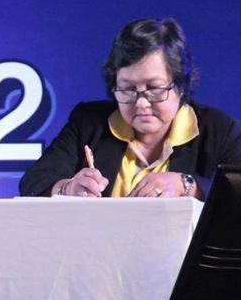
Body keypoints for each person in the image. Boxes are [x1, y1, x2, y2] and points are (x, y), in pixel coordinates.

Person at [20, 18, 241, 199]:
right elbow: (34, 182)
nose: (141, 103)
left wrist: (188, 185)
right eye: (127, 89)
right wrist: (67, 189)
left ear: (181, 85)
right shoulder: (88, 123)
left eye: (154, 88)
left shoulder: (220, 131)